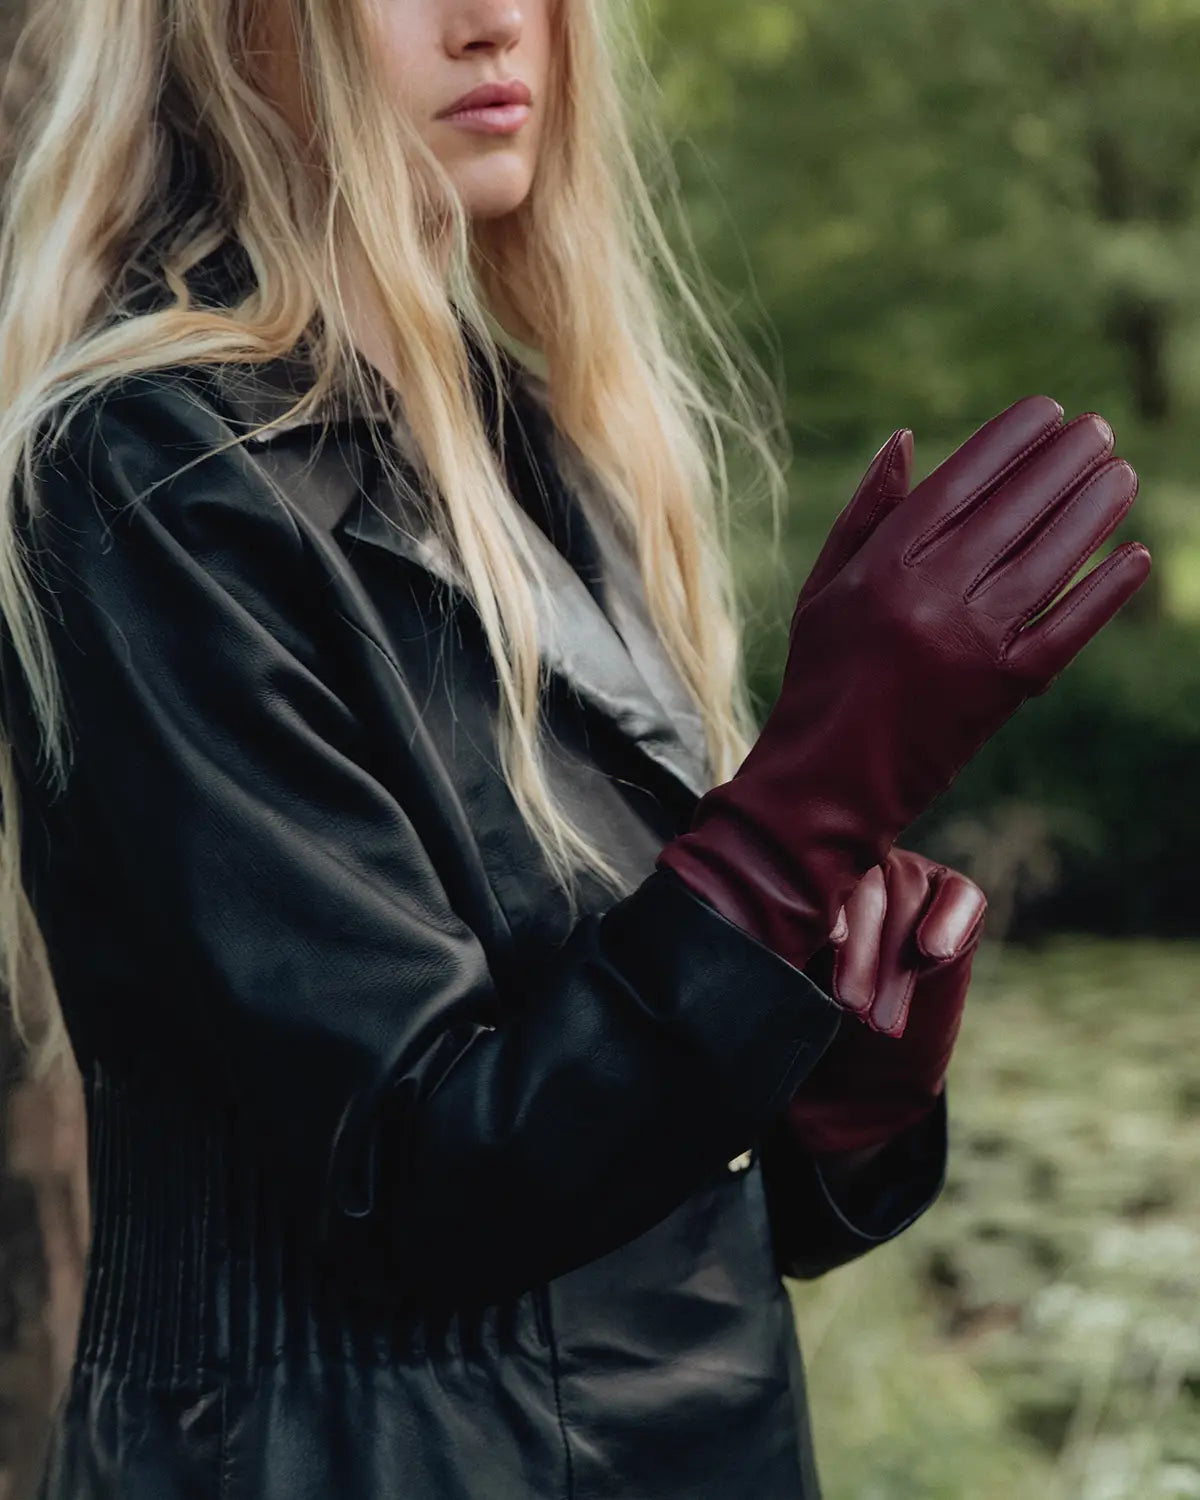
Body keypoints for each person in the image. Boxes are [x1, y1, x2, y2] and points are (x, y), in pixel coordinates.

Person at [0, 1, 1149, 1497]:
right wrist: (812, 792)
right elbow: (412, 1190)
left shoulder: (546, 453)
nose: (497, 23)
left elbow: (607, 1171)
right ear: (231, 27)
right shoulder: (148, 477)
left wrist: (835, 1108)